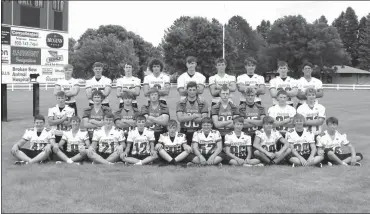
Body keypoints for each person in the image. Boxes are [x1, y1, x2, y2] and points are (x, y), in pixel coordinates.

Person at [176, 81, 209, 146]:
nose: (192, 92)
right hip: (185, 131)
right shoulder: (181, 102)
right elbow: (180, 119)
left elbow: (204, 120)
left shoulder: (202, 102)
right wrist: (195, 115)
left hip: (198, 132)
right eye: (190, 90)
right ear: (187, 90)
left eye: (194, 90)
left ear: (196, 90)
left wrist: (186, 116)